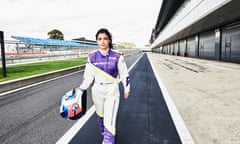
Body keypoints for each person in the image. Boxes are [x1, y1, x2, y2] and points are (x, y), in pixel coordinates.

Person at [79, 28, 130, 144]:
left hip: (112, 90)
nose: (102, 41)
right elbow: (88, 77)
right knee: (100, 116)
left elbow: (124, 74)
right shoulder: (91, 57)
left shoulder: (118, 56)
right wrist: (81, 90)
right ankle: (105, 133)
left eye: (105, 39)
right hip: (97, 90)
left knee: (110, 119)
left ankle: (108, 139)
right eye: (99, 39)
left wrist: (127, 88)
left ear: (109, 40)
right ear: (96, 41)